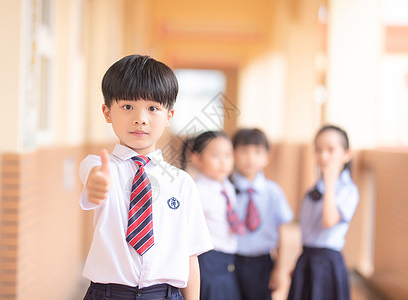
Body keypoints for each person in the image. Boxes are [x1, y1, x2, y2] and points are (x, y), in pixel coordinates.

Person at [79, 54, 213, 300]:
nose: (140, 119)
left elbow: (190, 254)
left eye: (153, 108)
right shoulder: (100, 166)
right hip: (108, 294)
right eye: (128, 107)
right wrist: (96, 184)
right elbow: (92, 176)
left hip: (164, 294)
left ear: (169, 116)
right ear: (107, 112)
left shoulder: (182, 183)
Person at [287, 125, 359, 300]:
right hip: (306, 259)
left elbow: (329, 221)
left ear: (346, 154)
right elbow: (307, 231)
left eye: (331, 149)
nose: (323, 156)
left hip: (328, 264)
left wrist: (330, 183)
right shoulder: (313, 190)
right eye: (318, 150)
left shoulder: (348, 190)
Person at [230, 128, 294, 300]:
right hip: (232, 260)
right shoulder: (225, 189)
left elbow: (281, 233)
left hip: (263, 262)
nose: (250, 158)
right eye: (244, 151)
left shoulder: (273, 192)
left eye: (257, 152)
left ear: (267, 157)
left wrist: (279, 269)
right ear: (233, 153)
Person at [182, 130, 241, 300]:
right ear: (197, 158)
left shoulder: (227, 186)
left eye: (228, 155)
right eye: (215, 155)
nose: (223, 162)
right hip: (208, 260)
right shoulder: (197, 190)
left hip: (228, 261)